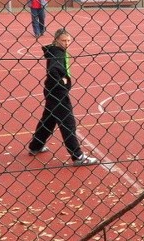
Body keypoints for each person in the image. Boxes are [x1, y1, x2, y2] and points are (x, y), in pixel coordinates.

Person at [28, 28, 98, 165]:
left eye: (68, 40)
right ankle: (78, 156)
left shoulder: (56, 51)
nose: (66, 43)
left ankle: (35, 145)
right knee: (68, 123)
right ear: (56, 40)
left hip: (51, 91)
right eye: (63, 40)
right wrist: (61, 82)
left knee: (48, 119)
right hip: (57, 93)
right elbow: (53, 69)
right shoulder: (57, 54)